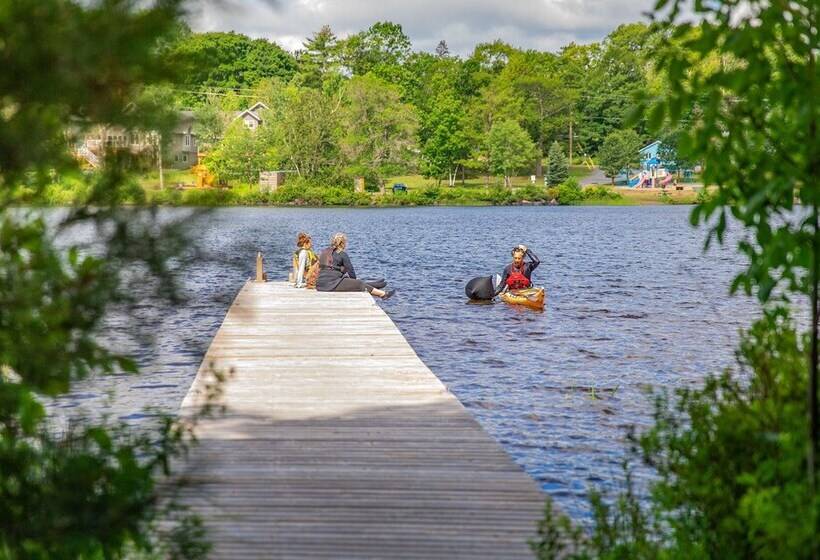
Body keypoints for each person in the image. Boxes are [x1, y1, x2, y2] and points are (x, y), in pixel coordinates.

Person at [316, 232, 395, 299]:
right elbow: (351, 273)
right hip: (331, 285)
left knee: (356, 283)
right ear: (342, 243)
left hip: (320, 283)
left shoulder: (325, 251)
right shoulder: (342, 254)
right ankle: (382, 294)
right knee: (359, 284)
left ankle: (375, 285)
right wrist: (353, 280)